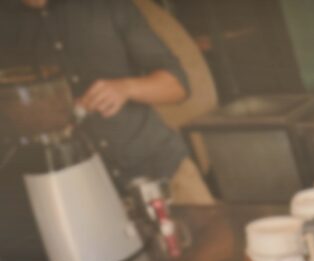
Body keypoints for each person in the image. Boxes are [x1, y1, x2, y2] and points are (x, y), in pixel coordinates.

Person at [2, 0, 211, 203]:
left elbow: (178, 86)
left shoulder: (108, 4)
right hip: (83, 194)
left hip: (165, 174)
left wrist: (126, 88)